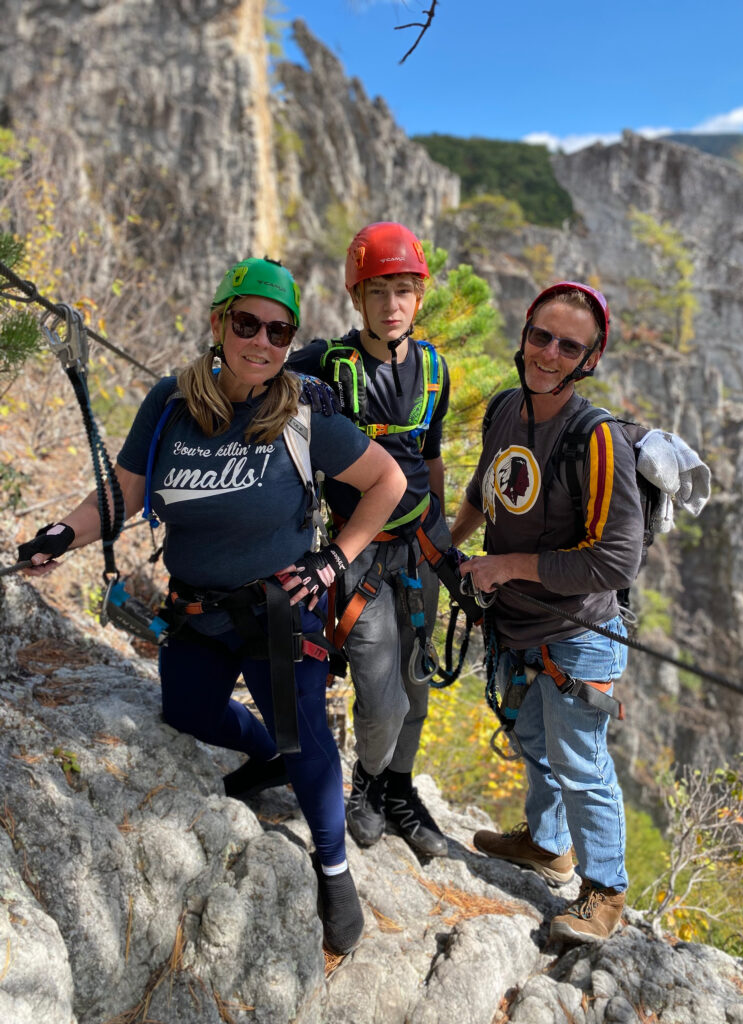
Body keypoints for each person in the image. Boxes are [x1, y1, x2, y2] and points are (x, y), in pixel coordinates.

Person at [17, 256, 407, 956]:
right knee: (187, 711)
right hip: (197, 606)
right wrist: (63, 534)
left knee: (307, 738)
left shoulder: (303, 416)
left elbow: (387, 480)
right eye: (247, 322)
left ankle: (334, 867)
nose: (262, 341)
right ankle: (264, 757)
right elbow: (125, 493)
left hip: (280, 609)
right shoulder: (171, 403)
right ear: (218, 323)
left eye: (279, 331)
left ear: (291, 341)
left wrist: (334, 559)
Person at [451, 282, 644, 944]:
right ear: (524, 334)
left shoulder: (596, 439)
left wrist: (508, 568)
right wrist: (448, 547)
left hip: (578, 637)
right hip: (519, 626)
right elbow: (487, 487)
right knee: (534, 741)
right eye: (541, 336)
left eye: (569, 345)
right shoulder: (506, 408)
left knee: (580, 762)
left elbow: (616, 563)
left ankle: (605, 893)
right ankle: (548, 843)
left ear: (589, 359)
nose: (549, 353)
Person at [287, 222, 453, 858]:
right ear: (357, 297)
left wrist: (449, 542)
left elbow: (431, 460)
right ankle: (367, 783)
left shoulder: (435, 369)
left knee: (417, 686)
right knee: (380, 699)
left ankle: (395, 791)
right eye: (379, 292)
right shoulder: (327, 364)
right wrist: (299, 389)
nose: (392, 306)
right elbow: (249, 375)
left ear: (419, 297)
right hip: (358, 555)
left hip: (423, 547)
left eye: (404, 291)